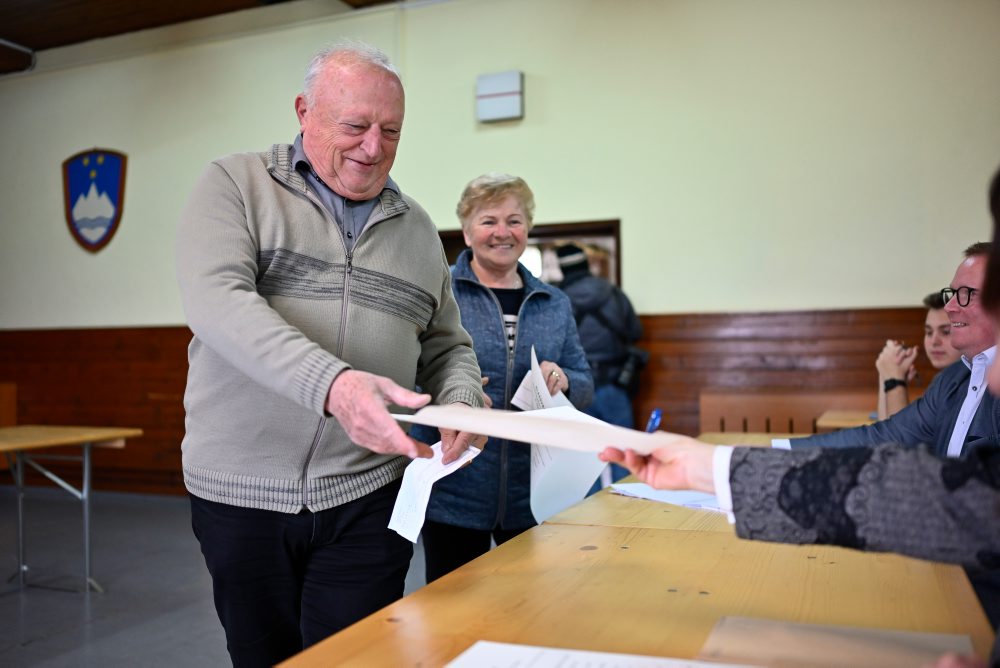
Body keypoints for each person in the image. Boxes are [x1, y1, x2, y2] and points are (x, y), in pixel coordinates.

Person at [599, 166, 1000, 668]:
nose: (952, 309)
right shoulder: (956, 380)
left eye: (968, 296)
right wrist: (740, 458)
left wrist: (722, 468)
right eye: (951, 295)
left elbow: (938, 496)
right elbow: (885, 439)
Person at [175, 42, 485, 667]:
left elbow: (447, 343)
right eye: (354, 126)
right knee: (265, 656)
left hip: (370, 493)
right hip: (241, 494)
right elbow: (216, 301)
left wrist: (460, 397)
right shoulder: (236, 185)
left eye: (390, 131)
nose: (373, 147)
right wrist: (334, 386)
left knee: (359, 658)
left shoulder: (417, 228)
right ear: (303, 111)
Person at [410, 173, 594, 583]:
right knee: (453, 612)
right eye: (489, 220)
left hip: (533, 493)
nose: (503, 232)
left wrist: (564, 380)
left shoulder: (554, 302)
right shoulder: (440, 294)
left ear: (527, 229)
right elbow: (408, 381)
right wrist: (452, 395)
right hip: (454, 489)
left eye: (514, 220)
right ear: (467, 231)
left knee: (532, 609)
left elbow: (585, 382)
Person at [557, 243, 643, 490]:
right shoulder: (614, 293)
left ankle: (590, 513)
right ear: (586, 264)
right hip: (616, 383)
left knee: (584, 456)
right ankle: (628, 510)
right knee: (625, 453)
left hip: (576, 387)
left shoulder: (558, 301)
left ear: (563, 269)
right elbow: (636, 331)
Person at [876, 291, 962, 419]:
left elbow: (902, 437)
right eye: (928, 332)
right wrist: (886, 375)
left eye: (946, 332)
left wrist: (895, 381)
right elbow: (887, 431)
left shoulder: (965, 385)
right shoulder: (941, 379)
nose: (934, 341)